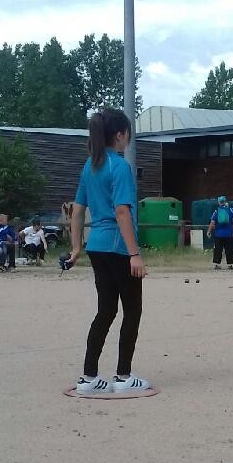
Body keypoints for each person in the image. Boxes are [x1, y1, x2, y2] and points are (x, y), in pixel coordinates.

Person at [66, 107, 146, 396]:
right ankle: (124, 375)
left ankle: (89, 377)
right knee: (132, 310)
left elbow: (77, 210)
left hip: (97, 246)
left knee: (106, 310)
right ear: (120, 135)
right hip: (118, 246)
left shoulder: (90, 165)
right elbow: (122, 211)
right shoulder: (119, 166)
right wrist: (134, 254)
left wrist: (76, 247)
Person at [207, 196, 233, 269]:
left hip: (218, 234)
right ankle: (230, 265)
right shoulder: (230, 210)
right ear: (225, 201)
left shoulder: (217, 211)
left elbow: (212, 222)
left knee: (218, 249)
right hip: (228, 234)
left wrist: (209, 231)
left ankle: (217, 264)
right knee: (229, 249)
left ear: (219, 202)